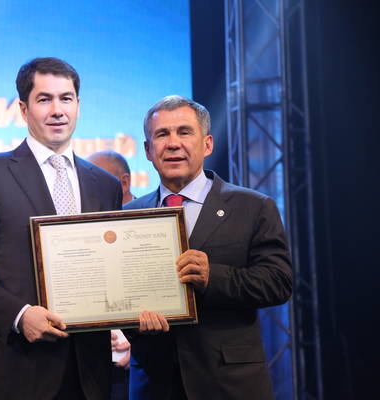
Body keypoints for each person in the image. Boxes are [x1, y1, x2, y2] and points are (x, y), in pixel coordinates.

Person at [0, 57, 123, 400]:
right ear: (24, 109)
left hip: (88, 373)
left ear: (78, 105)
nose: (57, 110)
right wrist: (19, 314)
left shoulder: (104, 184)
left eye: (66, 98)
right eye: (44, 99)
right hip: (12, 367)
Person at [125, 95, 292, 399]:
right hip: (154, 383)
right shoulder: (127, 215)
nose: (173, 143)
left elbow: (278, 283)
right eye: (162, 134)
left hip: (230, 383)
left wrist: (212, 277)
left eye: (184, 132)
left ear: (207, 144)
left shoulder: (253, 206)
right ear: (148, 150)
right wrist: (134, 324)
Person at [87, 150, 134, 399]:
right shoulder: (80, 228)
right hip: (90, 363)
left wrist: (138, 344)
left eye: (95, 180)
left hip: (140, 367)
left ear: (123, 183)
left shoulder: (150, 220)